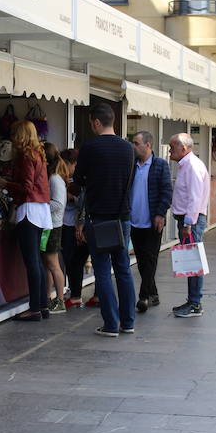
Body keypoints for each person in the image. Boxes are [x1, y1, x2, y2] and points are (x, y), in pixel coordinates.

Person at [74, 103, 136, 337]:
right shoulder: (128, 148)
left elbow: (78, 180)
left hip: (98, 217)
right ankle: (127, 322)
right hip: (122, 217)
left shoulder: (90, 146)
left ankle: (111, 324)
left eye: (91, 123)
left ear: (97, 122)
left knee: (102, 270)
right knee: (123, 270)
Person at [4, 120, 52, 321]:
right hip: (41, 210)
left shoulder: (25, 156)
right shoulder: (39, 154)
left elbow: (26, 187)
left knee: (31, 261)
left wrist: (5, 183)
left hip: (29, 209)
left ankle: (34, 308)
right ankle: (42, 305)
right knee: (38, 262)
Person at [129, 131, 173, 313]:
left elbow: (167, 192)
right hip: (134, 221)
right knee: (141, 260)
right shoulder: (132, 166)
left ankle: (143, 297)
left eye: (136, 143)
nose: (133, 146)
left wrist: (160, 214)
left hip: (153, 221)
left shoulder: (160, 165)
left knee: (151, 258)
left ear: (148, 145)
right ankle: (153, 293)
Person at [168, 133, 210, 318]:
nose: (170, 151)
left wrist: (188, 223)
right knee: (190, 260)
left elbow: (194, 197)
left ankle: (195, 303)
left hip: (191, 220)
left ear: (183, 148)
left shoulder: (191, 166)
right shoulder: (187, 165)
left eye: (172, 147)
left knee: (193, 260)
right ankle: (192, 300)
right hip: (188, 219)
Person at [59, 148, 89, 309]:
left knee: (74, 261)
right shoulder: (64, 179)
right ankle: (75, 293)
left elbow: (84, 203)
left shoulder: (80, 181)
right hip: (69, 224)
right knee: (72, 260)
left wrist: (72, 198)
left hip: (76, 226)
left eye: (65, 164)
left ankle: (76, 295)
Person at [43, 142, 69, 314]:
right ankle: (48, 297)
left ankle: (60, 299)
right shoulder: (54, 177)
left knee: (53, 264)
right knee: (48, 264)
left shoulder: (54, 178)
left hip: (53, 226)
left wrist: (40, 205)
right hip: (50, 225)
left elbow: (58, 204)